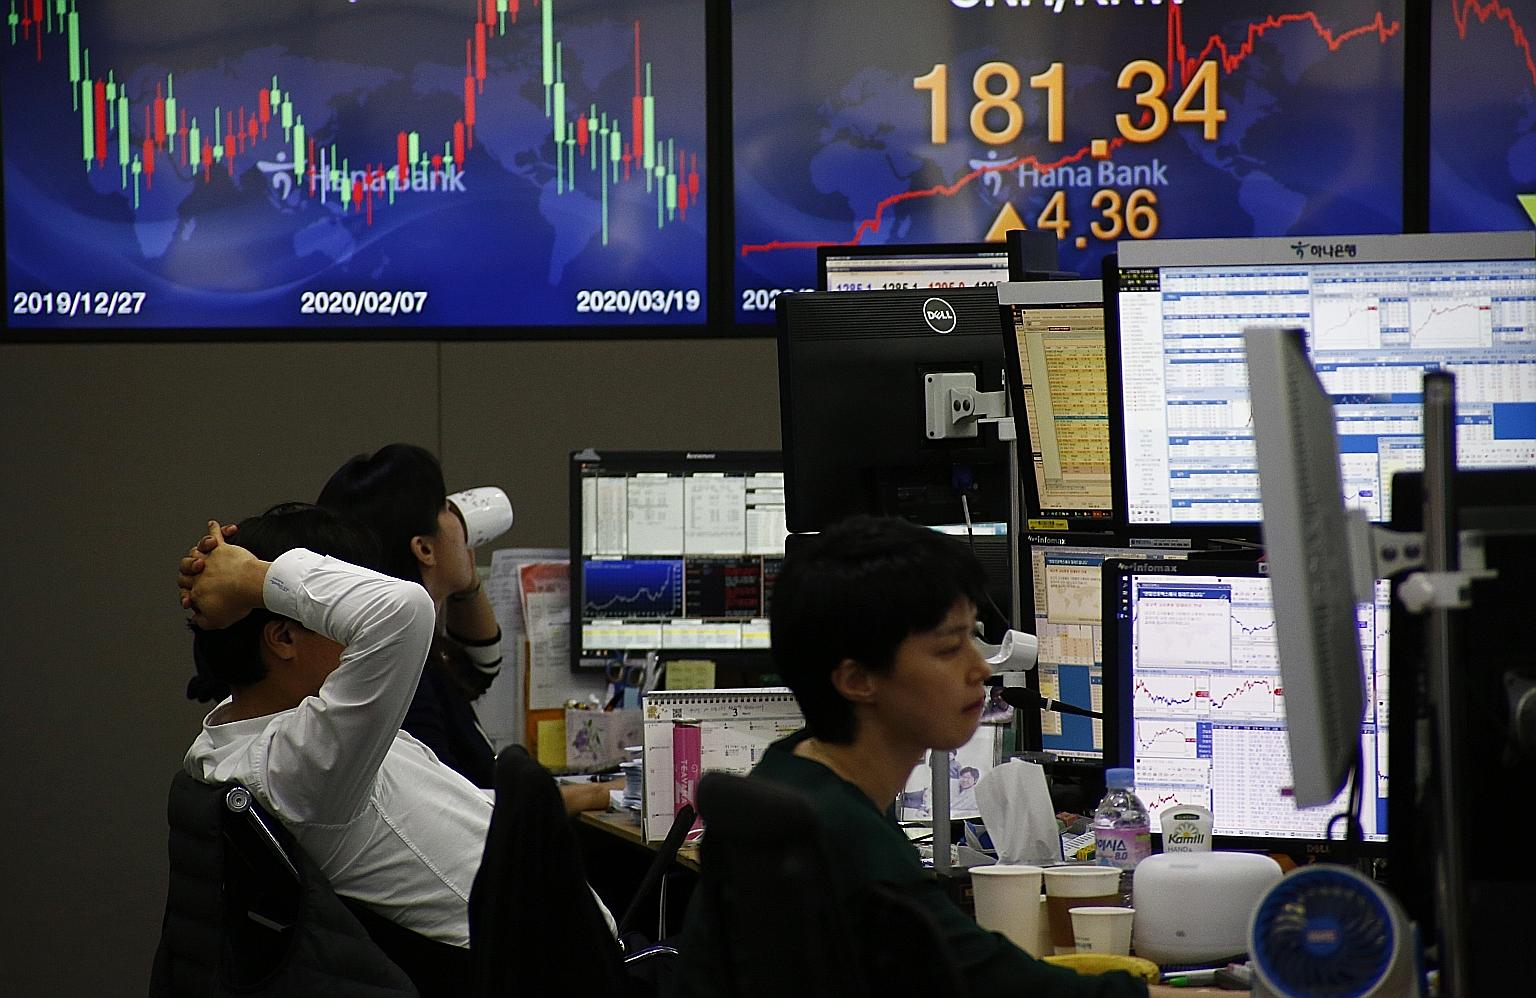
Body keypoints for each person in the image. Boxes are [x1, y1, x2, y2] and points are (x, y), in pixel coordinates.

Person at [672, 515, 1226, 998]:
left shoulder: (792, 768)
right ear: (857, 679)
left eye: (974, 637)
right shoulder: (846, 841)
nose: (980, 668)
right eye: (947, 647)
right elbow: (1006, 990)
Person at [177, 504, 618, 952]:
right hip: (570, 971)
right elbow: (404, 610)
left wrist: (605, 793)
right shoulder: (300, 762)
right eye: (338, 617)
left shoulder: (262, 730)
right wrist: (250, 577)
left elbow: (439, 807)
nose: (350, 631)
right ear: (285, 638)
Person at [317, 443, 615, 812]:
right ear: (423, 549)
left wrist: (464, 579)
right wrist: (601, 793)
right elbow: (451, 806)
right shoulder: (402, 678)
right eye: (445, 507)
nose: (460, 518)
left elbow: (478, 668)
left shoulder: (394, 645)